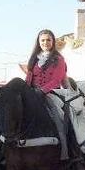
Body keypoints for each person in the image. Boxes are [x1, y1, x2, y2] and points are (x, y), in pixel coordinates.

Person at [25, 30, 71, 159]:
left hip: (51, 93)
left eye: (48, 40)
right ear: (39, 42)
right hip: (32, 93)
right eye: (43, 40)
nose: (46, 42)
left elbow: (57, 80)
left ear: (53, 42)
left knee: (58, 119)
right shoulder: (33, 59)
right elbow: (28, 78)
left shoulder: (59, 59)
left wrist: (41, 91)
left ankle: (64, 150)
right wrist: (25, 92)